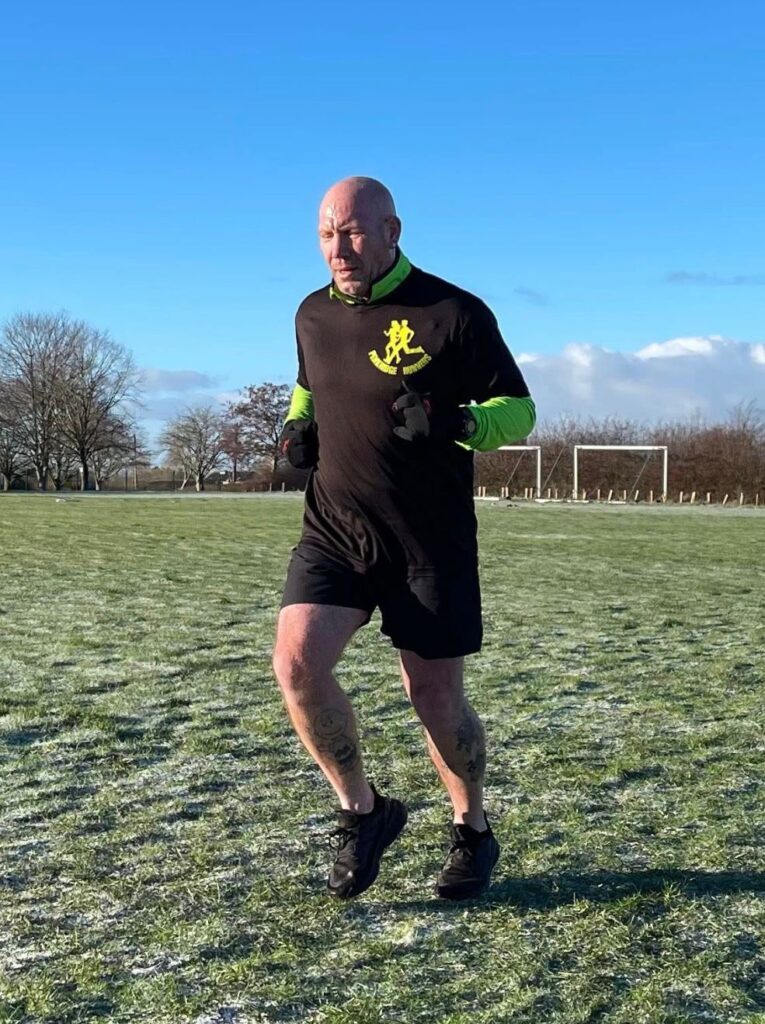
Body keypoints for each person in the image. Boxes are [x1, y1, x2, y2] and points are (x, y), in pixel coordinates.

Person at [272, 176, 535, 900]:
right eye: (327, 234)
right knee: (296, 664)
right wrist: (297, 425)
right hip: (335, 530)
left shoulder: (453, 312)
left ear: (391, 231)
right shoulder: (311, 313)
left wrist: (459, 423)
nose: (339, 249)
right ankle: (363, 813)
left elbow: (518, 411)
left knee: (434, 698)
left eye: (353, 232)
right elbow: (307, 384)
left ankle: (472, 828)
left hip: (429, 541)